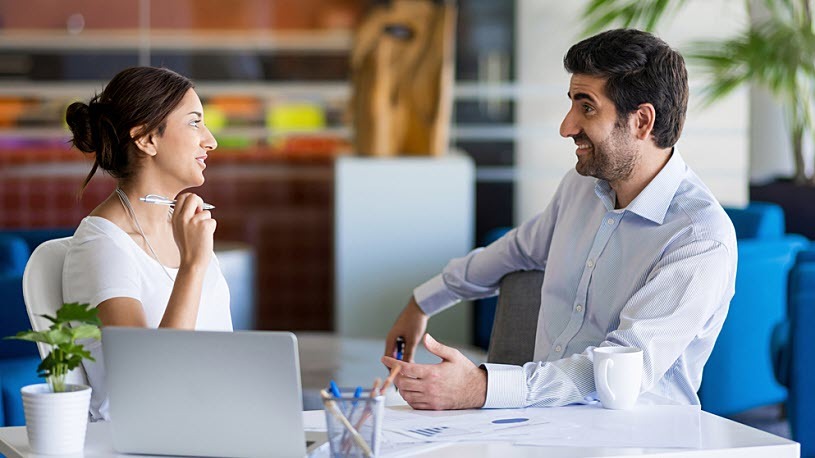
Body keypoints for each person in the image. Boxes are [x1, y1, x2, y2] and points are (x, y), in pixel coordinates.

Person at [382, 28, 738, 410]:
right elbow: (516, 251)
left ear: (641, 122)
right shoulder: (581, 187)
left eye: (587, 107)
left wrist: (481, 387)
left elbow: (617, 369)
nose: (566, 127)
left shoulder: (699, 238)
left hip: (633, 434)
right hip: (539, 418)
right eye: (572, 104)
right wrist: (423, 302)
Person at [62, 66, 230, 420]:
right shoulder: (102, 245)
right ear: (146, 139)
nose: (210, 140)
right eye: (195, 123)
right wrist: (192, 266)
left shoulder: (183, 229)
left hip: (213, 422)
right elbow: (149, 385)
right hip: (148, 436)